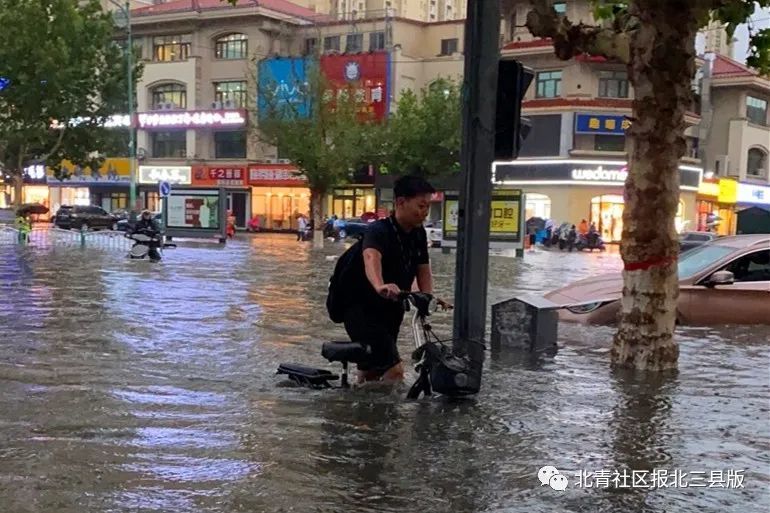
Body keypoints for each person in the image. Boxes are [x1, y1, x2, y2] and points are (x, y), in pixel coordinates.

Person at [342, 175, 452, 385]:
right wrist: (379, 285)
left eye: (428, 207)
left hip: (391, 309)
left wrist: (428, 297)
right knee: (395, 371)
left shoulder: (418, 233)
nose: (425, 212)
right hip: (360, 308)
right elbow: (370, 257)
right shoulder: (378, 230)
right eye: (420, 206)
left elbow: (423, 268)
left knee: (372, 373)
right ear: (401, 202)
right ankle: (386, 414)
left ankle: (358, 412)